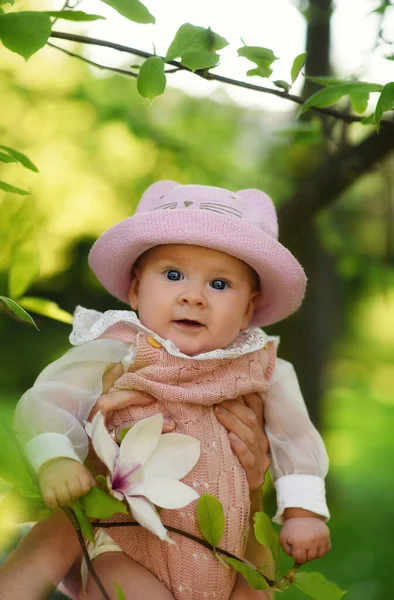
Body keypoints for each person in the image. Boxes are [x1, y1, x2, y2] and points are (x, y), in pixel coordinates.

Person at [11, 182, 330, 600]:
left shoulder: (263, 366)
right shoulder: (120, 350)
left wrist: (302, 510)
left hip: (226, 555)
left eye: (219, 284)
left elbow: (296, 438)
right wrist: (54, 458)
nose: (193, 296)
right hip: (128, 545)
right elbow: (48, 398)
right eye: (173, 275)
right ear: (135, 290)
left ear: (249, 309)